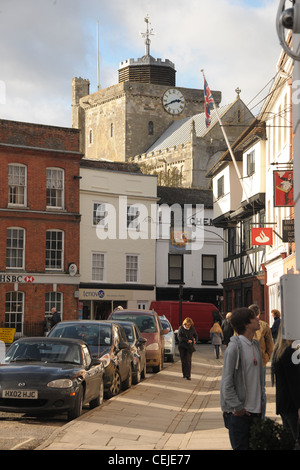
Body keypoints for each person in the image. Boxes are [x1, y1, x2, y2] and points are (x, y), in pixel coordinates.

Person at [220, 307, 264, 450]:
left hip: (256, 412)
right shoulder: (234, 349)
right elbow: (227, 382)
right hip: (240, 414)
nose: (258, 318)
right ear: (246, 324)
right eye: (253, 317)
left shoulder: (255, 345)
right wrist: (237, 407)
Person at [271, 326, 300, 442]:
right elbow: (294, 383)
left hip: (285, 403)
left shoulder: (279, 350)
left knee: (289, 440)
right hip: (291, 405)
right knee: (294, 439)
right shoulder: (289, 352)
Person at [248, 303, 274, 419]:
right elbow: (270, 346)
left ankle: (256, 415)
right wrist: (266, 358)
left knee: (255, 390)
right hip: (258, 363)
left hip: (254, 363)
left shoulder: (244, 325)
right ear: (259, 313)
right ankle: (260, 417)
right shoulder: (264, 325)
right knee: (260, 390)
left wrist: (265, 358)